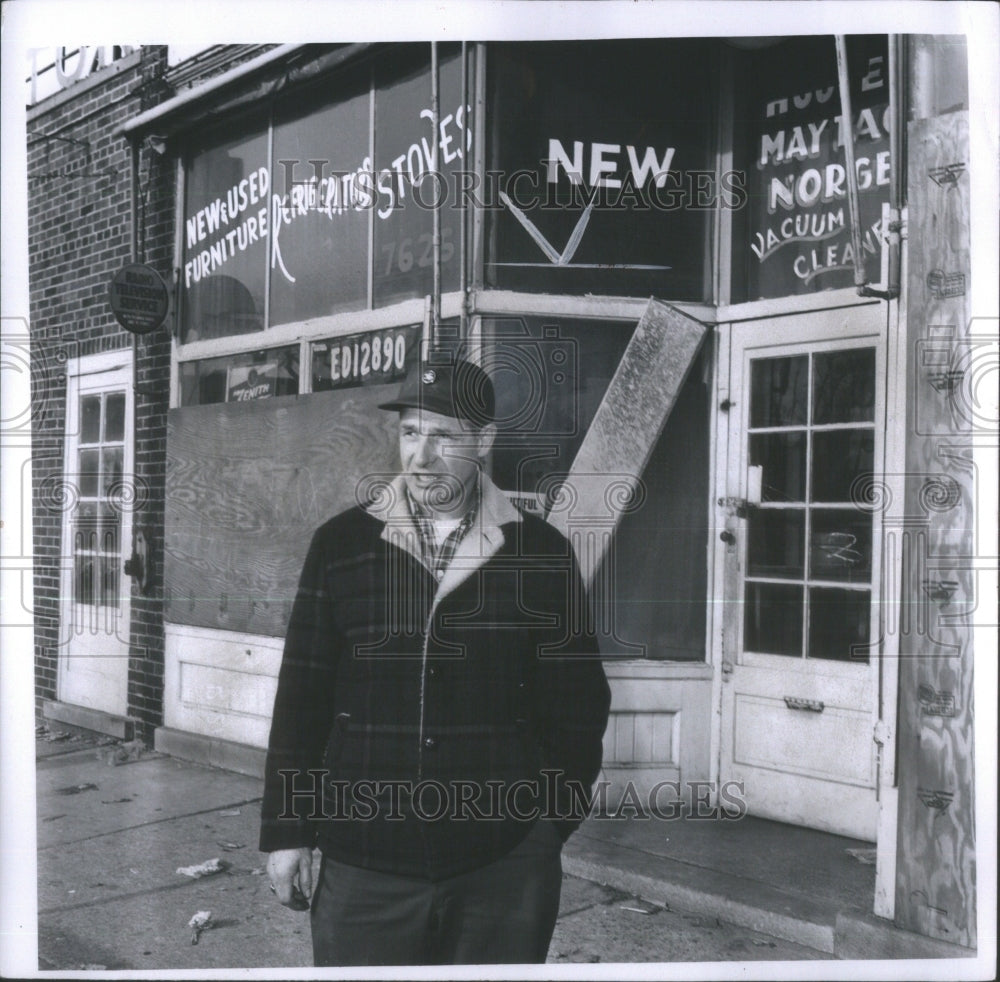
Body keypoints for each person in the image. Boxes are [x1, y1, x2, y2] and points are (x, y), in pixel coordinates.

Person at [259, 352, 611, 966]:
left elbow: (578, 704)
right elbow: (301, 699)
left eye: (442, 435)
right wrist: (289, 831)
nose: (420, 458)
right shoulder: (342, 546)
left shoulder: (539, 553)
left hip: (501, 868)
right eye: (410, 432)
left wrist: (547, 827)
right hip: (363, 867)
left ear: (484, 442)